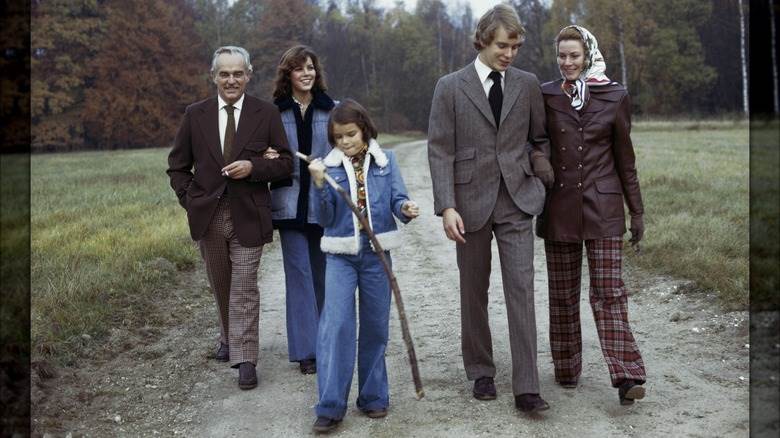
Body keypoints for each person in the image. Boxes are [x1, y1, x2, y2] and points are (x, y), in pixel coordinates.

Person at [427, 4, 554, 413]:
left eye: (516, 46)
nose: (510, 53)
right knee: (473, 292)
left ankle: (527, 386)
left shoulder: (528, 83)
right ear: (482, 40)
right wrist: (446, 206)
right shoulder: (449, 86)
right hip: (469, 204)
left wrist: (539, 172)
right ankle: (481, 371)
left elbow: (539, 139)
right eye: (503, 45)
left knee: (521, 291)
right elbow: (440, 150)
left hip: (518, 201)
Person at [167, 46, 293, 390]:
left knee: (244, 288)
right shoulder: (196, 115)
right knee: (221, 285)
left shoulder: (265, 113)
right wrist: (190, 200)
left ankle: (246, 358)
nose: (231, 79)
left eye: (238, 73)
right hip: (208, 214)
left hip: (249, 213)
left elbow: (285, 163)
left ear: (249, 75)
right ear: (214, 77)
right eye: (224, 73)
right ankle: (228, 336)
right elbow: (177, 166)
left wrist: (254, 167)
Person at [537, 25, 647, 405]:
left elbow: (625, 160)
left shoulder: (615, 95)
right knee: (563, 295)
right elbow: (536, 144)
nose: (568, 63)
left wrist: (638, 211)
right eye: (562, 56)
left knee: (609, 293)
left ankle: (628, 375)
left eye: (574, 56)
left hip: (604, 208)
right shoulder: (547, 95)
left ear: (588, 55)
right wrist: (540, 165)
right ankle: (566, 368)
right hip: (559, 209)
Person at [307, 99, 419, 433]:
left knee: (375, 326)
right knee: (336, 326)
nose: (345, 141)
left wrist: (406, 209)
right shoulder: (327, 166)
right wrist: (318, 184)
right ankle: (330, 405)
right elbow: (324, 218)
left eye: (351, 134)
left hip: (377, 255)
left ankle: (373, 396)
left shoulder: (386, 162)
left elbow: (397, 199)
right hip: (341, 256)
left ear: (365, 130)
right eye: (338, 136)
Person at [270, 45, 336, 375]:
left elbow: (345, 151)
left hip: (323, 204)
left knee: (323, 276)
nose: (306, 73)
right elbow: (263, 152)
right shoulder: (274, 113)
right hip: (288, 204)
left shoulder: (332, 109)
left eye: (310, 67)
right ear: (289, 75)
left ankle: (326, 343)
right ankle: (307, 351)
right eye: (299, 68)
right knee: (298, 276)